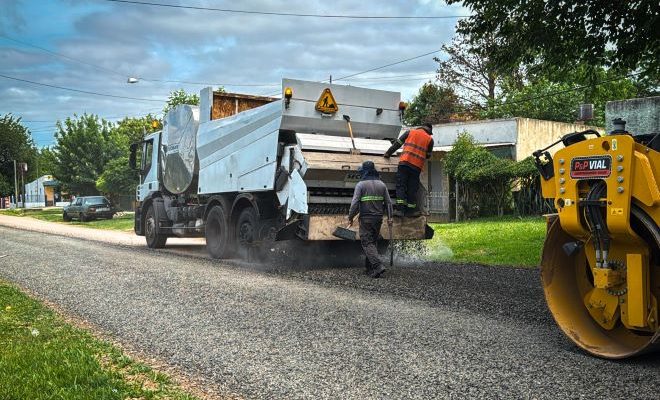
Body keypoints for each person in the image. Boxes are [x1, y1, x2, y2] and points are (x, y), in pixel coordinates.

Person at [348, 161, 393, 278]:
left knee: (367, 243)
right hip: (378, 219)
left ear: (365, 172)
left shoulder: (361, 185)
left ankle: (378, 266)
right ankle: (370, 269)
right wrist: (390, 217)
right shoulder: (382, 185)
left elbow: (354, 203)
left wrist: (350, 217)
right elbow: (388, 203)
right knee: (372, 242)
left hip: (366, 219)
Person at [383, 123, 434, 217]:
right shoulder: (430, 139)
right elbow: (428, 155)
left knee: (401, 186)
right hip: (417, 167)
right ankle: (411, 211)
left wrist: (388, 153)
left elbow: (397, 144)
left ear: (421, 127)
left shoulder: (410, 132)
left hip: (405, 163)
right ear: (429, 131)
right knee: (412, 188)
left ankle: (399, 210)